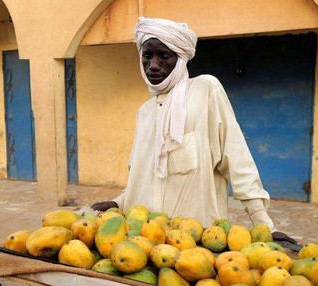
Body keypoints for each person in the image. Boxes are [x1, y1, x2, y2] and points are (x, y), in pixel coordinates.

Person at [92, 17, 293, 242]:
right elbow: (145, 177)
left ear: (179, 58)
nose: (154, 65)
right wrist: (118, 202)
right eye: (147, 56)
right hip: (146, 242)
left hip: (199, 243)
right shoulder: (145, 112)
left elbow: (236, 158)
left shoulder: (206, 90)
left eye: (164, 55)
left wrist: (264, 224)